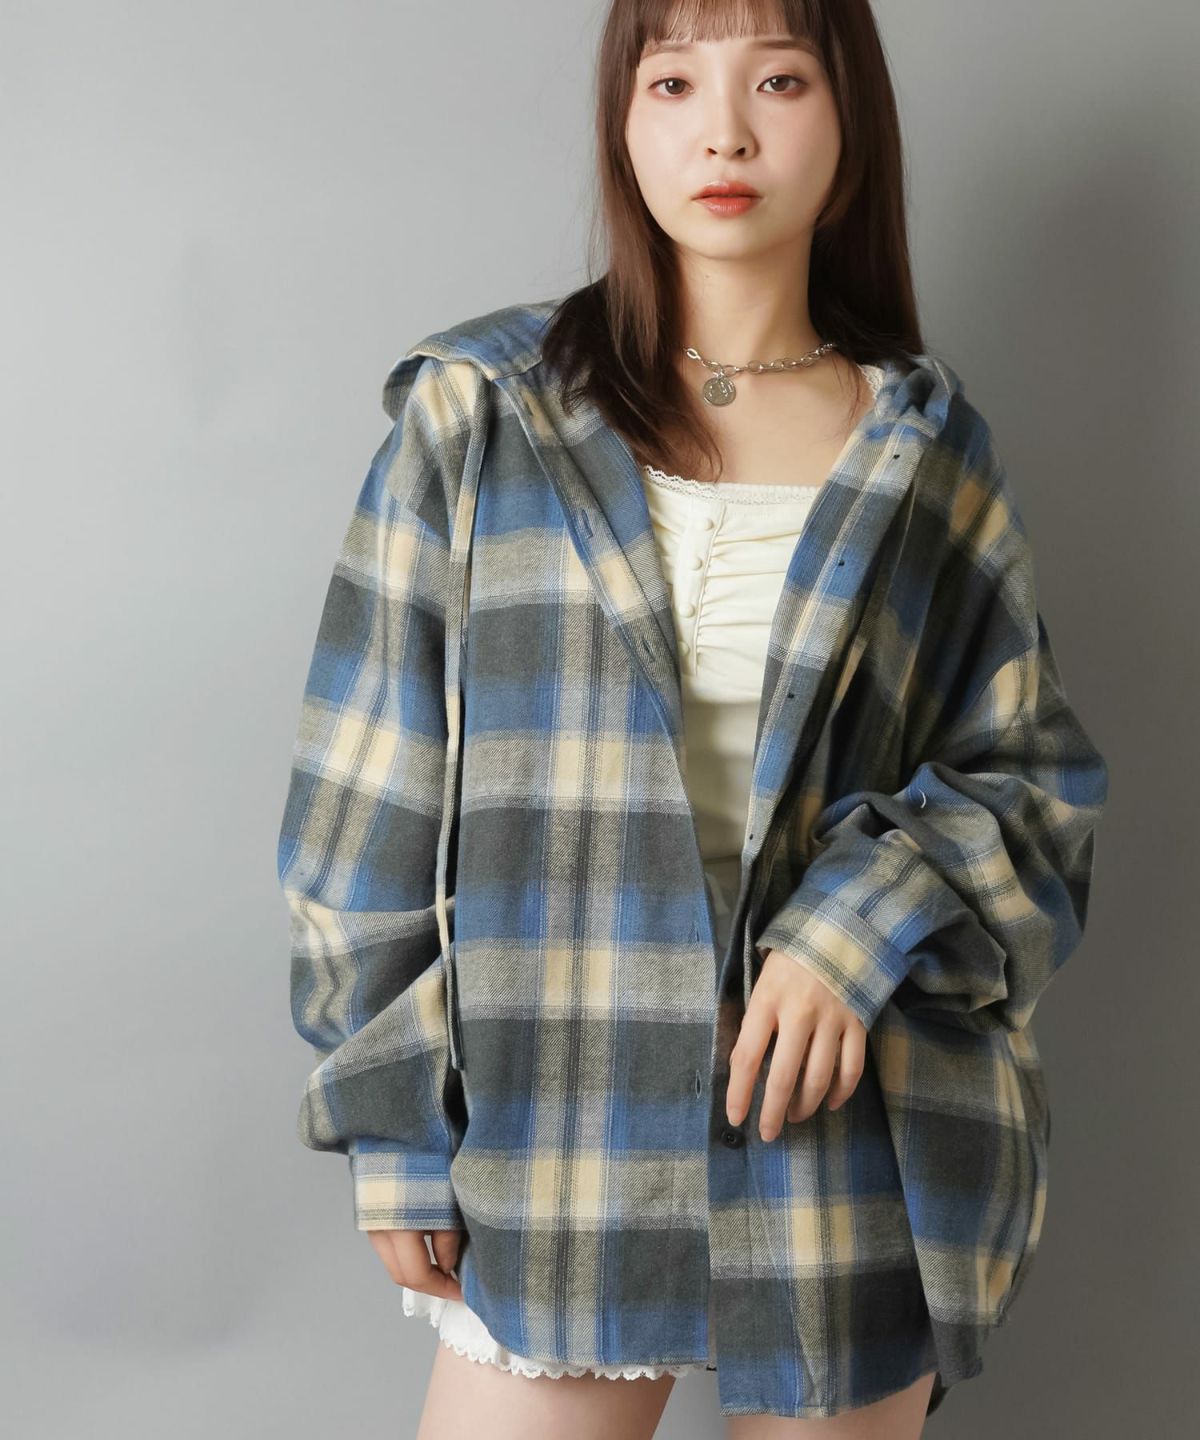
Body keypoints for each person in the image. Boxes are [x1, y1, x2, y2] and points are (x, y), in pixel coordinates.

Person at [275, 2, 1109, 1437]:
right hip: (558, 1110)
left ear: (849, 122)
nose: (723, 131)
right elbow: (367, 795)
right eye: (673, 82)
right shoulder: (484, 415)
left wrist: (854, 930)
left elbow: (1031, 785)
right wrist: (392, 1123)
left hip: (846, 1127)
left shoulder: (925, 450)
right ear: (624, 121)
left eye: (778, 79)